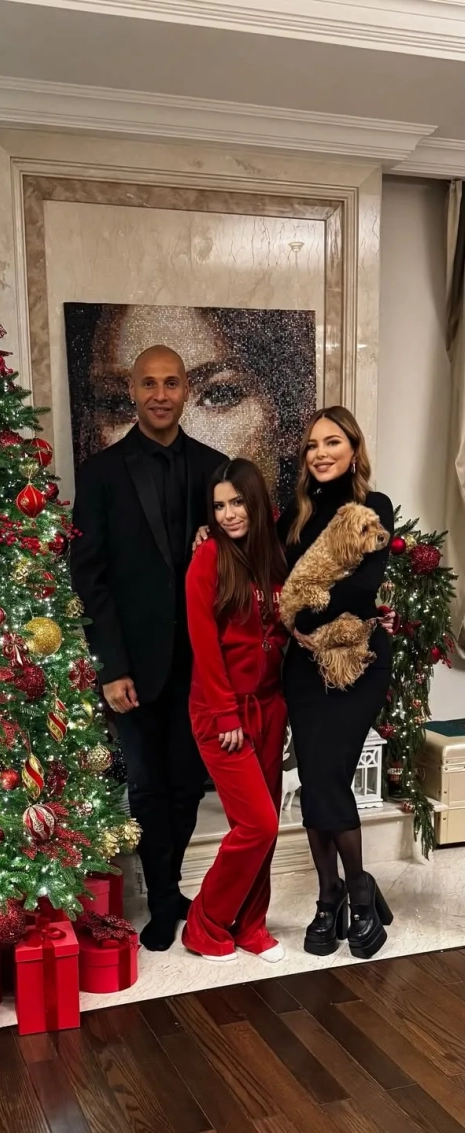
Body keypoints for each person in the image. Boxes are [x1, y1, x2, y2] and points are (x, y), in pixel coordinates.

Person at [70, 344, 226, 951]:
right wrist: (110, 667)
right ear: (132, 391)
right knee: (146, 788)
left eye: (171, 383)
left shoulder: (216, 469)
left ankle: (168, 885)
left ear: (186, 390)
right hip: (131, 668)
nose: (160, 395)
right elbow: (90, 577)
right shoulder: (100, 473)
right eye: (148, 384)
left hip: (199, 664)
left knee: (186, 785)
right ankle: (162, 899)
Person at [277, 406, 394, 960]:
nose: (320, 453)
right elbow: (266, 567)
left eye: (332, 443)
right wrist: (209, 529)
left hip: (357, 660)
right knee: (317, 777)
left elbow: (365, 586)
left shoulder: (374, 508)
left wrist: (303, 617)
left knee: (326, 776)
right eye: (312, 445)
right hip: (304, 669)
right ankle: (333, 895)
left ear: (353, 449)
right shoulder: (294, 516)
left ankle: (356, 893)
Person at [182, 459, 289, 963]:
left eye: (237, 502)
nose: (228, 514)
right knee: (258, 824)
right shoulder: (208, 558)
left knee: (267, 827)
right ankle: (205, 923)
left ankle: (251, 926)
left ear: (256, 502)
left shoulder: (275, 557)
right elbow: (204, 645)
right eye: (219, 506)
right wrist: (225, 714)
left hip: (270, 707)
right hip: (220, 712)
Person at [65, 304, 316, 512]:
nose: (161, 399)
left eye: (219, 395)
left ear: (285, 426)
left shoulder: (214, 463)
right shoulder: (98, 473)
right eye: (118, 404)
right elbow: (88, 557)